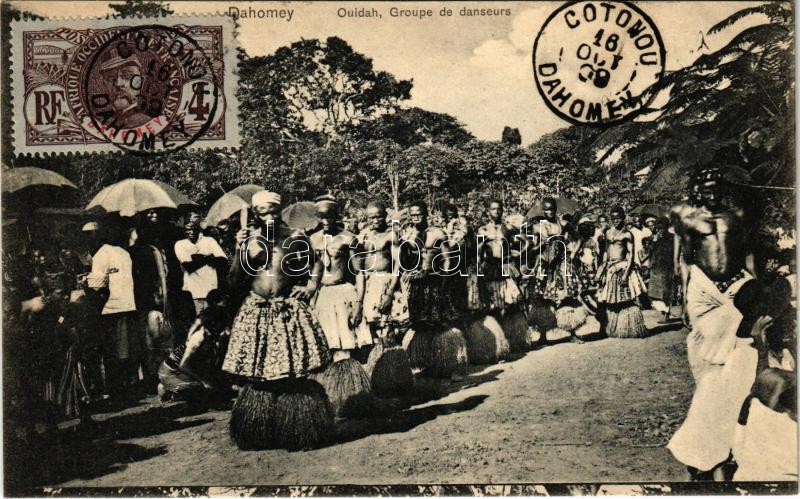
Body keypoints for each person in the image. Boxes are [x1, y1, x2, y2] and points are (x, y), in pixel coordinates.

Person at [667, 167, 760, 479]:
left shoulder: (737, 215)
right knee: (706, 359)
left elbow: (748, 254)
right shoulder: (687, 217)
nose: (712, 192)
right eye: (706, 188)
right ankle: (708, 426)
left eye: (715, 187)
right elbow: (684, 259)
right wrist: (682, 296)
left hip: (737, 287)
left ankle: (733, 426)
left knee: (741, 355)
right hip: (704, 291)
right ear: (698, 190)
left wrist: (755, 286)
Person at [223, 190, 333, 450]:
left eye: (273, 211)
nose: (270, 216)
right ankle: (260, 427)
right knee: (259, 373)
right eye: (263, 212)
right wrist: (240, 249)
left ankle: (296, 427)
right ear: (256, 214)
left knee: (292, 371)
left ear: (280, 211)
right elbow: (233, 280)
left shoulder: (294, 237)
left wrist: (311, 286)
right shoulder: (250, 240)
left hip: (287, 309)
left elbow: (316, 263)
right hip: (257, 309)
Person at [309, 195, 373, 416]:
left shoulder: (349, 239)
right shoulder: (312, 240)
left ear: (337, 215)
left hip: (343, 294)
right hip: (322, 297)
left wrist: (358, 305)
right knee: (327, 348)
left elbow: (360, 275)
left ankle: (352, 397)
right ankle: (331, 396)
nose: (325, 221)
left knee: (347, 349)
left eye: (329, 216)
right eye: (320, 216)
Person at [401, 200, 466, 379]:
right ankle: (427, 364)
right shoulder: (407, 234)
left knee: (441, 323)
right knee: (422, 324)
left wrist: (444, 279)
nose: (416, 218)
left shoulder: (436, 233)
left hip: (435, 281)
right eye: (412, 215)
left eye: (419, 214)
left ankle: (450, 366)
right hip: (417, 285)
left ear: (426, 214)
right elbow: (404, 260)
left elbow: (446, 258)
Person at [356, 201, 414, 398]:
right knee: (372, 332)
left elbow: (398, 264)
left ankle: (395, 378)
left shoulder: (391, 235)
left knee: (388, 330)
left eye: (378, 216)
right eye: (370, 217)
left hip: (386, 281)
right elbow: (359, 265)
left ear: (385, 217)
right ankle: (378, 376)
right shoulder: (363, 236)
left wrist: (390, 292)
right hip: (368, 283)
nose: (374, 220)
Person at [86, 220, 141, 399]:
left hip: (110, 308)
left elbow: (97, 286)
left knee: (112, 352)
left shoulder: (101, 255)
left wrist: (85, 283)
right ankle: (128, 387)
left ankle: (116, 390)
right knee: (126, 351)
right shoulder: (124, 252)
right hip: (128, 305)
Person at [595, 206, 647, 338]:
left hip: (623, 267)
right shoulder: (607, 233)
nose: (616, 221)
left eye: (618, 218)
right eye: (613, 218)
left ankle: (629, 327)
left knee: (626, 299)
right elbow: (606, 252)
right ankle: (607, 327)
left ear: (623, 218)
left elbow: (631, 255)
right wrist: (601, 269)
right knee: (607, 299)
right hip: (610, 268)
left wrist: (626, 274)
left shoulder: (627, 234)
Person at [174, 212, 228, 317]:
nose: (190, 232)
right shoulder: (180, 244)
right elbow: (189, 267)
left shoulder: (209, 241)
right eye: (187, 229)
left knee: (213, 320)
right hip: (193, 292)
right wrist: (208, 257)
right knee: (198, 320)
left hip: (211, 291)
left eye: (193, 228)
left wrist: (198, 258)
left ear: (198, 228)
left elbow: (222, 261)